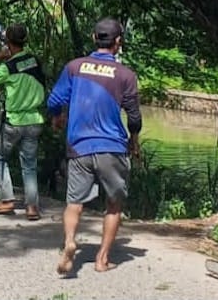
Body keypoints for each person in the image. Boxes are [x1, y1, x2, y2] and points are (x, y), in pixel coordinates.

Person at [47, 18, 142, 276]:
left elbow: (54, 99)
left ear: (93, 37)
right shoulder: (126, 75)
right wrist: (134, 140)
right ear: (118, 42)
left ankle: (69, 243)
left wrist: (57, 117)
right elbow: (133, 116)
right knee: (114, 205)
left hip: (79, 147)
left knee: (74, 202)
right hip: (112, 148)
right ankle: (102, 259)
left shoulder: (75, 67)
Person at [0, 23, 46, 221]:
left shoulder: (7, 67)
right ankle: (32, 206)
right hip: (35, 120)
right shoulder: (35, 61)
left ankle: (7, 200)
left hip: (14, 121)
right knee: (29, 165)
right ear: (24, 40)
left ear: (8, 42)